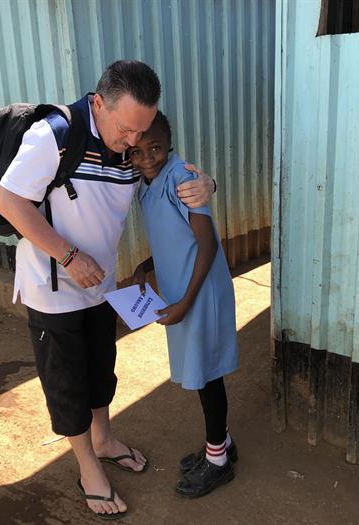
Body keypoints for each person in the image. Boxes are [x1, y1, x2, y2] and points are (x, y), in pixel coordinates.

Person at [0, 60, 215, 519]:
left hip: (101, 287)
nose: (133, 142)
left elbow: (167, 175)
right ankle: (87, 466)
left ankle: (104, 439)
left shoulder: (129, 149)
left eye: (141, 131)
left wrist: (207, 184)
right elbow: (8, 201)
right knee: (67, 382)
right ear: (98, 103)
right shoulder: (54, 136)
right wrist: (69, 257)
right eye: (125, 129)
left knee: (101, 369)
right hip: (53, 288)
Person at [130, 112, 238, 498]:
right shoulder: (146, 185)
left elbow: (206, 245)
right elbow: (176, 238)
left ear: (169, 144)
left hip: (200, 292)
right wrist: (147, 266)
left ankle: (218, 462)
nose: (147, 158)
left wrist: (185, 303)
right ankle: (222, 443)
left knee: (206, 376)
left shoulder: (181, 178)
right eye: (137, 151)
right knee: (202, 371)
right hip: (182, 292)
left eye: (155, 148)